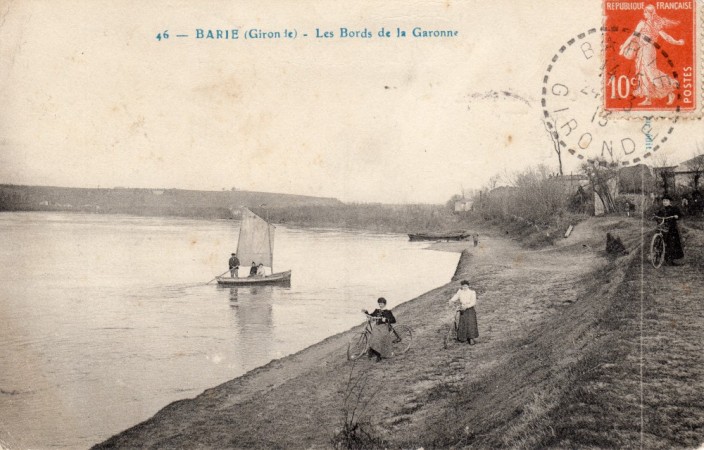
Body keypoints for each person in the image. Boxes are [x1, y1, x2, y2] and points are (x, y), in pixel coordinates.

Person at [618, 5, 685, 106]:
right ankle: (648, 98)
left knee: (651, 73)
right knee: (642, 73)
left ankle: (670, 89)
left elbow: (666, 37)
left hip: (649, 50)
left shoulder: (655, 24)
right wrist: (624, 47)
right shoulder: (642, 23)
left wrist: (677, 42)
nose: (644, 14)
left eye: (646, 12)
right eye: (644, 12)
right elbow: (633, 36)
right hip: (641, 50)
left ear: (651, 13)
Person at [362, 297, 396, 362]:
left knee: (380, 338)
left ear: (385, 304)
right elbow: (371, 316)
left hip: (384, 326)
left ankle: (379, 355)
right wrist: (366, 312)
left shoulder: (388, 311)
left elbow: (393, 320)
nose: (380, 305)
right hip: (377, 326)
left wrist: (386, 319)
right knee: (373, 337)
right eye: (379, 304)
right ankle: (373, 352)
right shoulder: (377, 310)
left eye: (381, 304)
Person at [655, 196, 684, 265]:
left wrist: (676, 216)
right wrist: (655, 216)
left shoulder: (674, 208)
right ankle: (658, 256)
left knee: (671, 242)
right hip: (663, 227)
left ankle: (671, 260)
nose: (664, 202)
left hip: (671, 228)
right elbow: (658, 215)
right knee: (659, 240)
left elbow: (680, 215)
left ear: (669, 202)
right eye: (664, 201)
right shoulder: (661, 209)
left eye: (666, 201)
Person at [448, 280, 479, 345]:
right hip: (462, 309)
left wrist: (467, 306)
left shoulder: (472, 292)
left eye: (466, 286)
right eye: (463, 286)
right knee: (463, 323)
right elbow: (456, 296)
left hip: (470, 309)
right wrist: (451, 300)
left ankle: (471, 338)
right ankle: (463, 338)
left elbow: (473, 302)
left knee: (470, 323)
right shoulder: (460, 292)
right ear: (461, 286)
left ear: (468, 286)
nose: (464, 287)